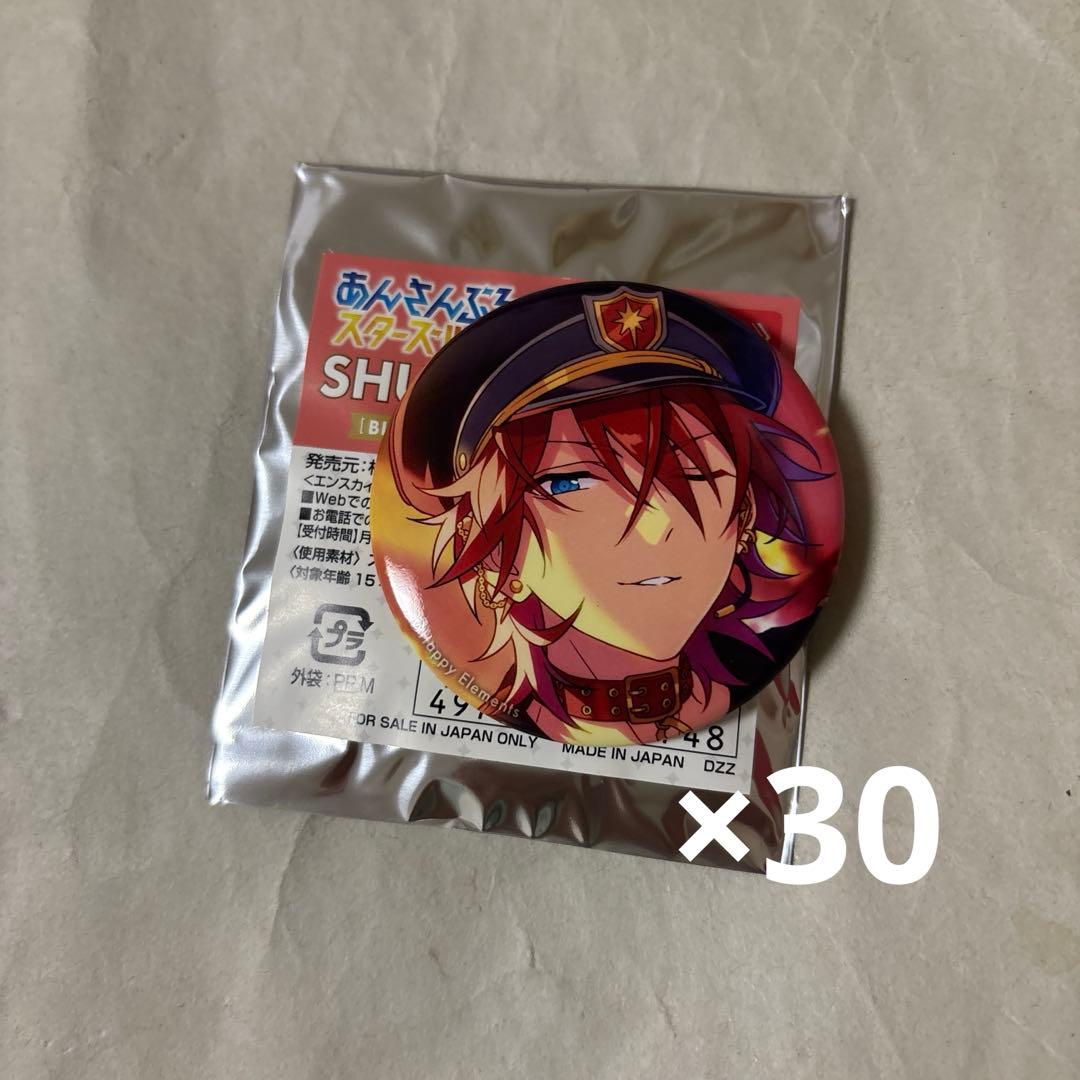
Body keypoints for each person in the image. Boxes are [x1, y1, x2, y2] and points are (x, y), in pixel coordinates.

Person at [386, 282, 839, 744]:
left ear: (743, 513)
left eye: (695, 472)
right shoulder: (513, 704)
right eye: (570, 483)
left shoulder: (758, 663)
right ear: (494, 546)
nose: (656, 523)